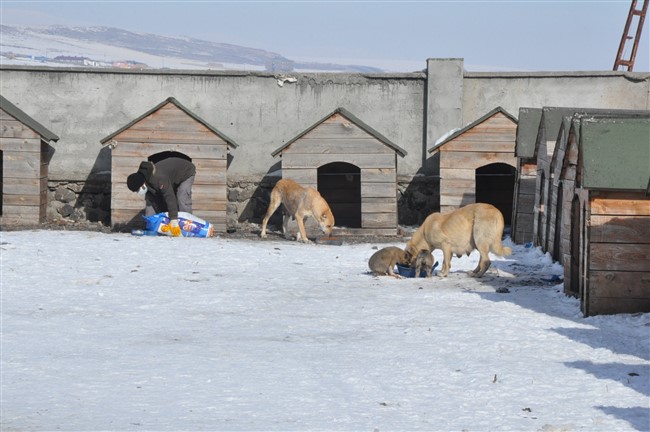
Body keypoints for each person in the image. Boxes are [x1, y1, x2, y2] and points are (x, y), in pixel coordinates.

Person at [126, 157, 196, 237]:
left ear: (142, 184)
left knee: (182, 197)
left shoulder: (159, 178)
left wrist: (173, 219)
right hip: (170, 176)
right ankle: (151, 227)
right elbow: (154, 201)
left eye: (138, 190)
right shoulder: (146, 180)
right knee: (149, 200)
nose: (138, 192)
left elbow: (170, 198)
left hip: (186, 172)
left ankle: (189, 226)